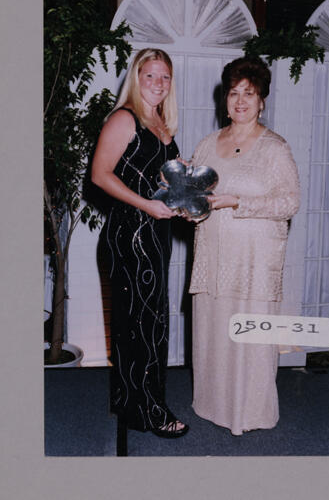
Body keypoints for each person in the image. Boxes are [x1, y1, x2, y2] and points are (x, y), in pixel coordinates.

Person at [188, 56, 300, 436]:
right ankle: (212, 405)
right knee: (214, 331)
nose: (240, 101)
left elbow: (290, 202)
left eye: (248, 94)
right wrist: (192, 211)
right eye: (234, 93)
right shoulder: (207, 144)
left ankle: (249, 414)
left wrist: (239, 202)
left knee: (251, 337)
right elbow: (199, 199)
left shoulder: (274, 148)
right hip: (214, 256)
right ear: (225, 99)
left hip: (255, 260)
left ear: (262, 101)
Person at [91, 48, 189, 438]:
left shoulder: (163, 126)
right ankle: (151, 411)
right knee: (146, 325)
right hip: (129, 235)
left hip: (153, 234)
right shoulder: (124, 119)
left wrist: (182, 203)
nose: (158, 83)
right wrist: (147, 205)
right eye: (150, 75)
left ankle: (129, 402)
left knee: (141, 323)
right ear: (136, 77)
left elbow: (163, 183)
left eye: (165, 76)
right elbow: (100, 175)